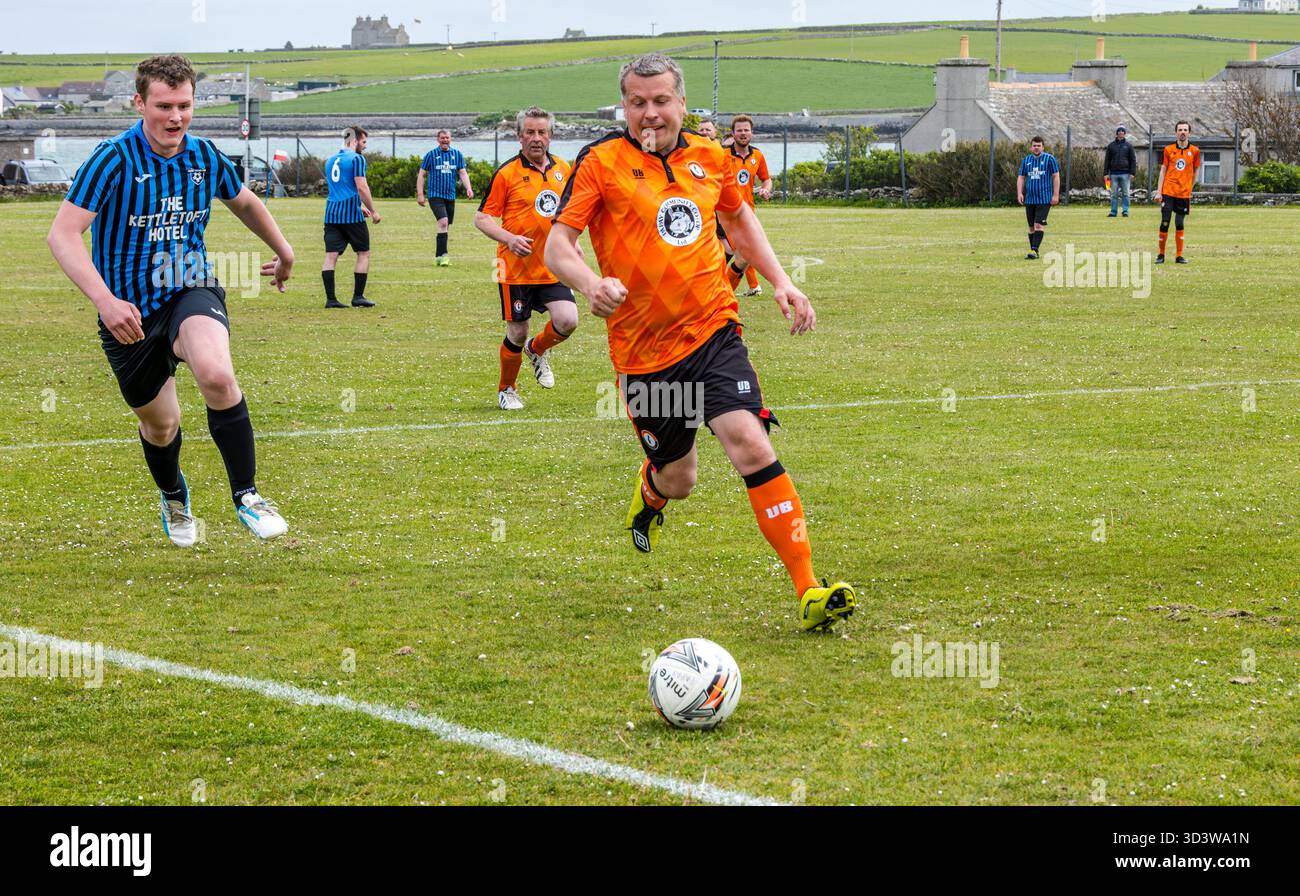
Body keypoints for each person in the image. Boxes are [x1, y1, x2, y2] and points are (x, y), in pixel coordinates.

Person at [545, 53, 856, 632]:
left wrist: (783, 281)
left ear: (682, 103)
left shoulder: (710, 158)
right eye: (636, 102)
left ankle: (808, 588)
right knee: (679, 478)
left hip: (713, 330)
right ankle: (651, 489)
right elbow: (557, 244)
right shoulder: (600, 162)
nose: (649, 114)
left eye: (660, 100)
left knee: (749, 443)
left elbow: (739, 224)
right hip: (643, 355)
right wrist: (589, 282)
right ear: (624, 106)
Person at [47, 54, 291, 545]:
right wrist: (105, 301)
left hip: (189, 286)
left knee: (217, 375)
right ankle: (174, 496)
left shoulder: (203, 156)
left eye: (183, 105)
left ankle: (248, 495)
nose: (175, 117)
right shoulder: (112, 159)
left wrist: (283, 251)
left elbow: (243, 200)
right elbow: (63, 234)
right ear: (140, 103)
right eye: (163, 106)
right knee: (161, 427)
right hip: (129, 314)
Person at [473, 106, 578, 410]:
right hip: (514, 268)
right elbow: (482, 218)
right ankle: (507, 389)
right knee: (517, 332)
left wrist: (572, 240)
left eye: (541, 132)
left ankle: (538, 349)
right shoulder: (506, 173)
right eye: (529, 132)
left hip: (552, 263)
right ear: (519, 136)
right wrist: (509, 238)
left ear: (551, 135)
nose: (536, 138)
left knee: (568, 320)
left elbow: (568, 211)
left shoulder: (563, 168)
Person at [322, 126, 379, 308]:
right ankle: (358, 296)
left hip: (331, 215)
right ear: (354, 140)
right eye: (363, 142)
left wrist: (359, 205)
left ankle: (331, 299)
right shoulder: (357, 159)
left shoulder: (330, 160)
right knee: (363, 253)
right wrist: (373, 210)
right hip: (351, 217)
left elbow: (340, 188)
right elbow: (361, 187)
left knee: (330, 256)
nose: (365, 146)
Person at [726, 115, 772, 296]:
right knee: (733, 253)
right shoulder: (722, 154)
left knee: (744, 254)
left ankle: (726, 294)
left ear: (751, 133)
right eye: (739, 130)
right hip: (724, 216)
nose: (743, 133)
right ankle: (721, 294)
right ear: (733, 133)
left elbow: (766, 179)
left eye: (746, 130)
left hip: (747, 215)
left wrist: (766, 189)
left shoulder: (758, 155)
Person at [417, 129, 474, 266]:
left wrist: (469, 188)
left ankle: (438, 256)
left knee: (445, 226)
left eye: (447, 138)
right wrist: (420, 194)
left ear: (450, 139)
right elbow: (421, 175)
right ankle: (444, 256)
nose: (445, 140)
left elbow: (463, 173)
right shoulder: (431, 155)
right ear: (438, 139)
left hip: (450, 196)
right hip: (435, 195)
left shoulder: (457, 154)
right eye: (442, 138)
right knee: (443, 222)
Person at [1153, 121, 1200, 265]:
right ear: (1176, 133)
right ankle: (1161, 255)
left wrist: (1190, 187)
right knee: (1165, 222)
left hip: (1183, 194)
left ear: (1189, 133)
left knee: (1179, 223)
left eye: (1185, 130)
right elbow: (1163, 170)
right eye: (1180, 130)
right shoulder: (1168, 150)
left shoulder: (1195, 151)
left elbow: (1196, 170)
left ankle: (1179, 256)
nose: (1183, 132)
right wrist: (1159, 191)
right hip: (1168, 192)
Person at [1016, 136, 1060, 260]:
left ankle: (1034, 250)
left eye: (1038, 145)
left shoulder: (1050, 159)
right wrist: (1020, 193)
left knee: (1038, 225)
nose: (1036, 148)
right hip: (1030, 199)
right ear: (1031, 147)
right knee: (1031, 227)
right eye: (1034, 145)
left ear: (1043, 147)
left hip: (1044, 199)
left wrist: (1055, 195)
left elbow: (1056, 176)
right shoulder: (1026, 160)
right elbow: (1021, 177)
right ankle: (1033, 250)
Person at [1103, 125, 1137, 218]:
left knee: (1126, 194)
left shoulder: (1129, 146)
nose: (1121, 133)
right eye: (1119, 132)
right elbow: (1107, 160)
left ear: (1125, 134)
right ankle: (1113, 212)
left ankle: (1125, 211)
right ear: (1117, 133)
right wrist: (1105, 173)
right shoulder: (1111, 146)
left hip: (1125, 174)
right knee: (1114, 194)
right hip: (1113, 174)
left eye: (1122, 132)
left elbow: (1133, 160)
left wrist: (1132, 172)